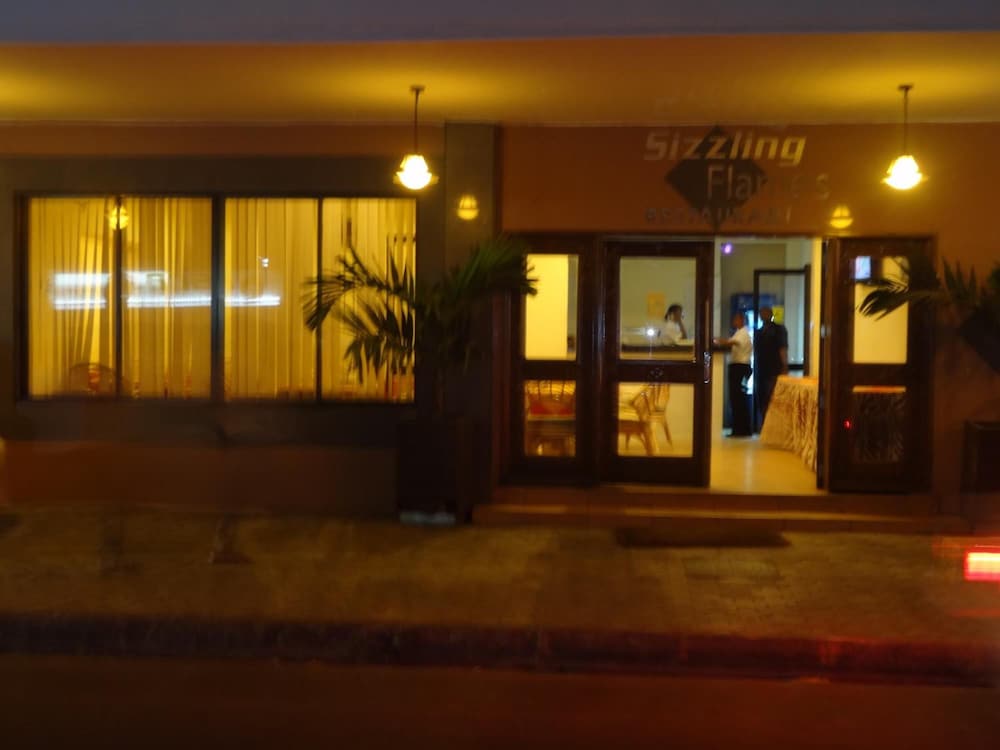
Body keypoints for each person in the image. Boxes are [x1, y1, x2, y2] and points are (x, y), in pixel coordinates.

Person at [714, 311, 753, 437]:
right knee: (736, 399)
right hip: (738, 367)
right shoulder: (739, 332)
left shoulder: (743, 333)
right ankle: (739, 429)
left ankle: (742, 430)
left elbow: (733, 342)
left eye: (736, 319)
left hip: (740, 367)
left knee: (738, 399)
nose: (734, 321)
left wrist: (718, 341)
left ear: (742, 320)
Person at [754, 305, 788, 430]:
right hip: (761, 371)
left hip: (773, 370)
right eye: (761, 313)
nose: (763, 316)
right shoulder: (759, 332)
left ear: (771, 314)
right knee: (762, 399)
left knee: (773, 399)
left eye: (765, 313)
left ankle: (773, 427)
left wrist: (784, 366)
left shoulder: (778, 330)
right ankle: (765, 427)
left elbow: (782, 349)